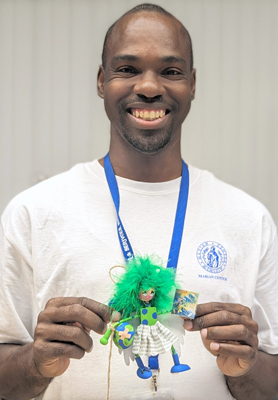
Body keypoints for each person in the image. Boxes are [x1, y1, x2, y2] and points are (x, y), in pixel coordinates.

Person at [0, 3, 277, 400]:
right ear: (101, 81)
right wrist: (34, 363)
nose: (149, 86)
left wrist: (246, 368)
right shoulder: (34, 213)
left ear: (193, 84)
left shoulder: (248, 219)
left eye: (171, 71)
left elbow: (269, 386)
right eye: (127, 69)